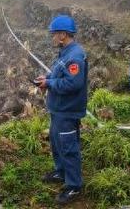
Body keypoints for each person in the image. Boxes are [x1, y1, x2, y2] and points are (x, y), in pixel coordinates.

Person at [35, 15, 88, 205]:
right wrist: (47, 78)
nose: (52, 37)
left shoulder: (75, 56)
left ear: (63, 35)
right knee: (57, 142)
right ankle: (61, 172)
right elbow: (59, 73)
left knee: (68, 147)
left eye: (54, 34)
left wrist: (50, 83)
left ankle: (74, 186)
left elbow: (73, 84)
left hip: (67, 110)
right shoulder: (65, 52)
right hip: (58, 109)